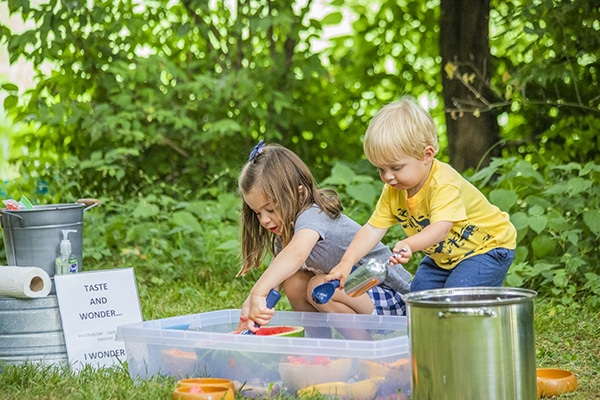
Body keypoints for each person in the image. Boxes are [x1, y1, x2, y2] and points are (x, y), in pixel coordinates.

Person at [327, 98, 516, 293]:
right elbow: (373, 229)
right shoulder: (394, 189)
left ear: (427, 155)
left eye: (396, 167)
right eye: (380, 169)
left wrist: (410, 243)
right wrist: (347, 262)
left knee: (458, 295)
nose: (388, 176)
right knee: (418, 296)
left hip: (487, 248)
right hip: (444, 257)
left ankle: (485, 317)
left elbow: (441, 229)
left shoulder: (443, 183)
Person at [236, 140, 412, 333]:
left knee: (318, 286)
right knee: (294, 282)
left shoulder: (313, 216)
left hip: (395, 301)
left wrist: (258, 291)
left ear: (299, 194)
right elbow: (276, 278)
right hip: (363, 300)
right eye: (257, 213)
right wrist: (249, 310)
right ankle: (320, 353)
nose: (264, 220)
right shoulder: (285, 234)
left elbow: (296, 253)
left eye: (270, 209)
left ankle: (364, 355)